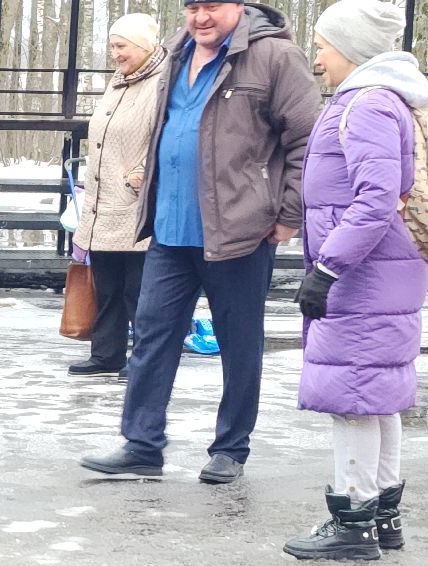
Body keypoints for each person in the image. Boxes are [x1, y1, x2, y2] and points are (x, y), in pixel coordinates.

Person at [79, 1, 320, 485]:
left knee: (239, 343)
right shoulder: (175, 51)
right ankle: (142, 445)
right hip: (170, 228)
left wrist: (290, 214)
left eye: (212, 5)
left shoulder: (275, 57)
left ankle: (231, 448)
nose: (200, 16)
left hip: (239, 230)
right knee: (151, 336)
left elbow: (306, 141)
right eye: (192, 6)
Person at [285, 0, 428, 561]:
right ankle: (382, 517)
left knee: (351, 398)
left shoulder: (366, 106)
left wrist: (327, 268)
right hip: (382, 274)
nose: (318, 58)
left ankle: (352, 521)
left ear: (349, 49)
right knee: (377, 397)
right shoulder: (379, 101)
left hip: (362, 277)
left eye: (323, 46)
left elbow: (374, 200)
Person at [71, 13, 168, 377]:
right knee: (107, 285)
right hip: (103, 200)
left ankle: (143, 360)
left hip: (135, 199)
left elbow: (163, 132)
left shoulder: (162, 82)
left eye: (121, 46)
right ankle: (106, 354)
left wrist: (141, 172)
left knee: (138, 289)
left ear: (143, 46)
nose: (115, 54)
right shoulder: (118, 81)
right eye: (112, 46)